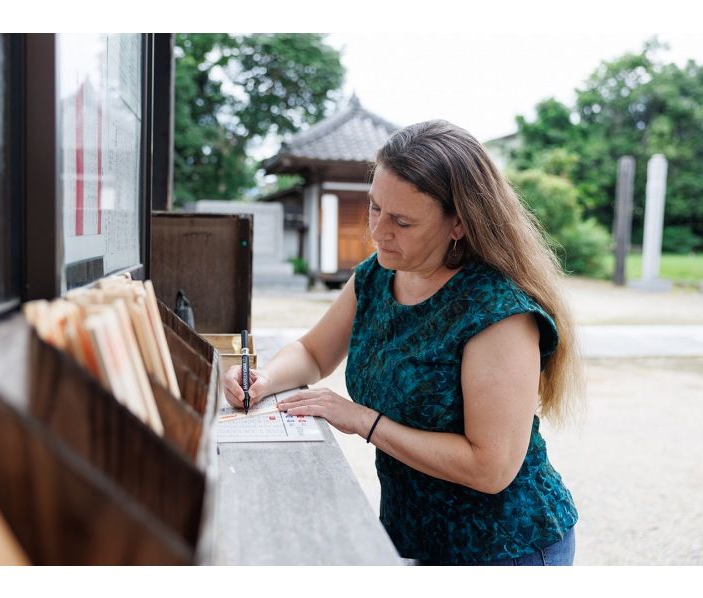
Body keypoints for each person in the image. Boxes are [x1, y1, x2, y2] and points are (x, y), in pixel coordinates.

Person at [223, 120, 583, 566]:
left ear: (459, 224)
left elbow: (490, 468)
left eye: (403, 222)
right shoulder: (378, 275)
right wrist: (260, 379)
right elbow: (314, 352)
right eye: (374, 208)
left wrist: (362, 420)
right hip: (413, 536)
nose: (377, 231)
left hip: (507, 547)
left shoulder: (498, 312)